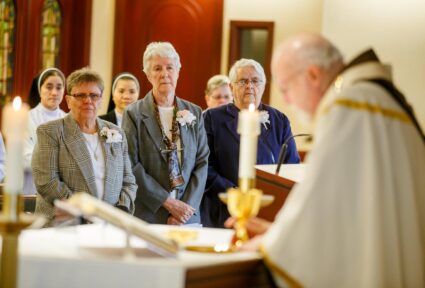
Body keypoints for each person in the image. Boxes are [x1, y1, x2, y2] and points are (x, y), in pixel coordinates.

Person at [226, 33, 425, 287]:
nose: (286, 100)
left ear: (313, 75)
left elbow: (322, 204)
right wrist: (277, 232)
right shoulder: (377, 100)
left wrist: (270, 243)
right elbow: (355, 215)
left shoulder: (348, 106)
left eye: (286, 88)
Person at [201, 58, 300, 228]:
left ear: (263, 85)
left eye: (255, 81)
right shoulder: (211, 118)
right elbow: (204, 165)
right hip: (223, 209)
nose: (250, 86)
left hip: (267, 210)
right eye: (243, 81)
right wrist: (234, 193)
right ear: (232, 87)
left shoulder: (280, 120)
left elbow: (291, 166)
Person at [32, 67, 137, 226]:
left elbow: (129, 181)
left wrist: (116, 213)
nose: (88, 100)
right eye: (80, 95)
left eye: (94, 95)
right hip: (64, 225)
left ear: (101, 100)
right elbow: (47, 182)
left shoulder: (116, 133)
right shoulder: (50, 132)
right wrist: (84, 212)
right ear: (68, 100)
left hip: (108, 227)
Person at [122, 42, 209, 225]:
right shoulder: (133, 114)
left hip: (187, 216)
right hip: (149, 216)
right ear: (147, 74)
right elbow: (131, 165)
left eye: (170, 67)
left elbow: (202, 163)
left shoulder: (195, 112)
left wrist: (184, 210)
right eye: (157, 68)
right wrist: (169, 204)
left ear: (178, 71)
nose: (164, 74)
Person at [24, 68, 67, 194]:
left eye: (59, 88)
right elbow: (25, 159)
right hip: (31, 187)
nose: (54, 92)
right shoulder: (26, 118)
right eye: (49, 87)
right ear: (39, 89)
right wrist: (59, 161)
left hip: (61, 190)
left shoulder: (69, 121)